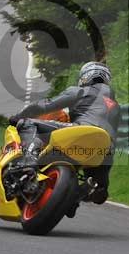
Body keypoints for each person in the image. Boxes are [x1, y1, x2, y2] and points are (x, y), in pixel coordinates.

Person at [9, 61, 119, 208]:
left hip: (81, 130)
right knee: (99, 189)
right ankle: (77, 196)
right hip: (105, 148)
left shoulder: (81, 91)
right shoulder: (116, 106)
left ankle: (28, 163)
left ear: (85, 77)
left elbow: (45, 105)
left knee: (27, 123)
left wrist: (19, 116)